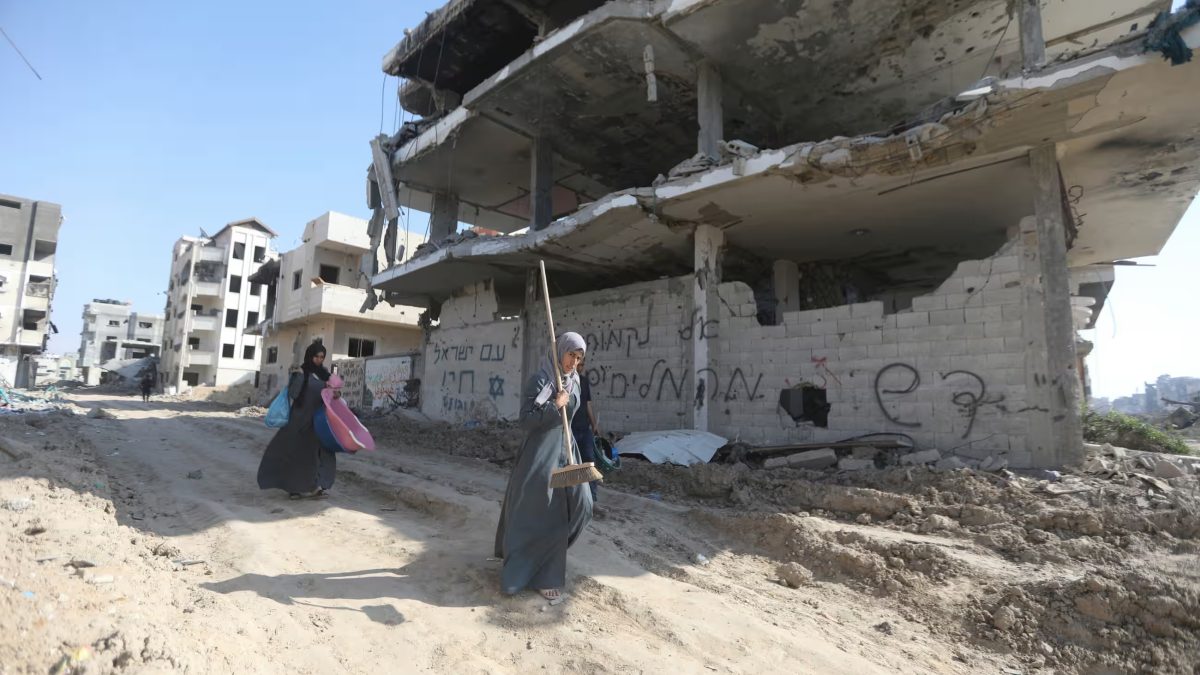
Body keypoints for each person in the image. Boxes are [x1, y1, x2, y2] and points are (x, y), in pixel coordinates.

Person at [494, 332, 593, 601]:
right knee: (537, 514)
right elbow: (525, 420)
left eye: (579, 357)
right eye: (571, 354)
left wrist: (576, 449)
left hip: (565, 452)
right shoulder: (540, 380)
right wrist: (553, 405)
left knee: (581, 504)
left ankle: (547, 564)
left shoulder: (575, 383)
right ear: (559, 351)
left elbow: (571, 420)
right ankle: (523, 575)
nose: (575, 361)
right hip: (538, 457)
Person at [256, 341, 336, 499]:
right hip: (299, 419)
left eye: (322, 357)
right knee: (296, 454)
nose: (319, 360)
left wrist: (334, 393)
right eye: (317, 357)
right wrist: (296, 379)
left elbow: (327, 395)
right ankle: (293, 488)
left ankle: (315, 486)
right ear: (310, 356)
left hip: (317, 421)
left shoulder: (324, 374)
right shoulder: (301, 372)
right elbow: (293, 394)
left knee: (316, 455)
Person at [570, 357, 601, 502]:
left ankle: (592, 497)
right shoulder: (566, 382)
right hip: (571, 430)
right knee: (572, 464)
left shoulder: (584, 381)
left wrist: (594, 424)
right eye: (579, 365)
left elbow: (588, 404)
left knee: (590, 460)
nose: (581, 367)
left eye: (583, 365)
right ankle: (574, 497)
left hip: (585, 429)